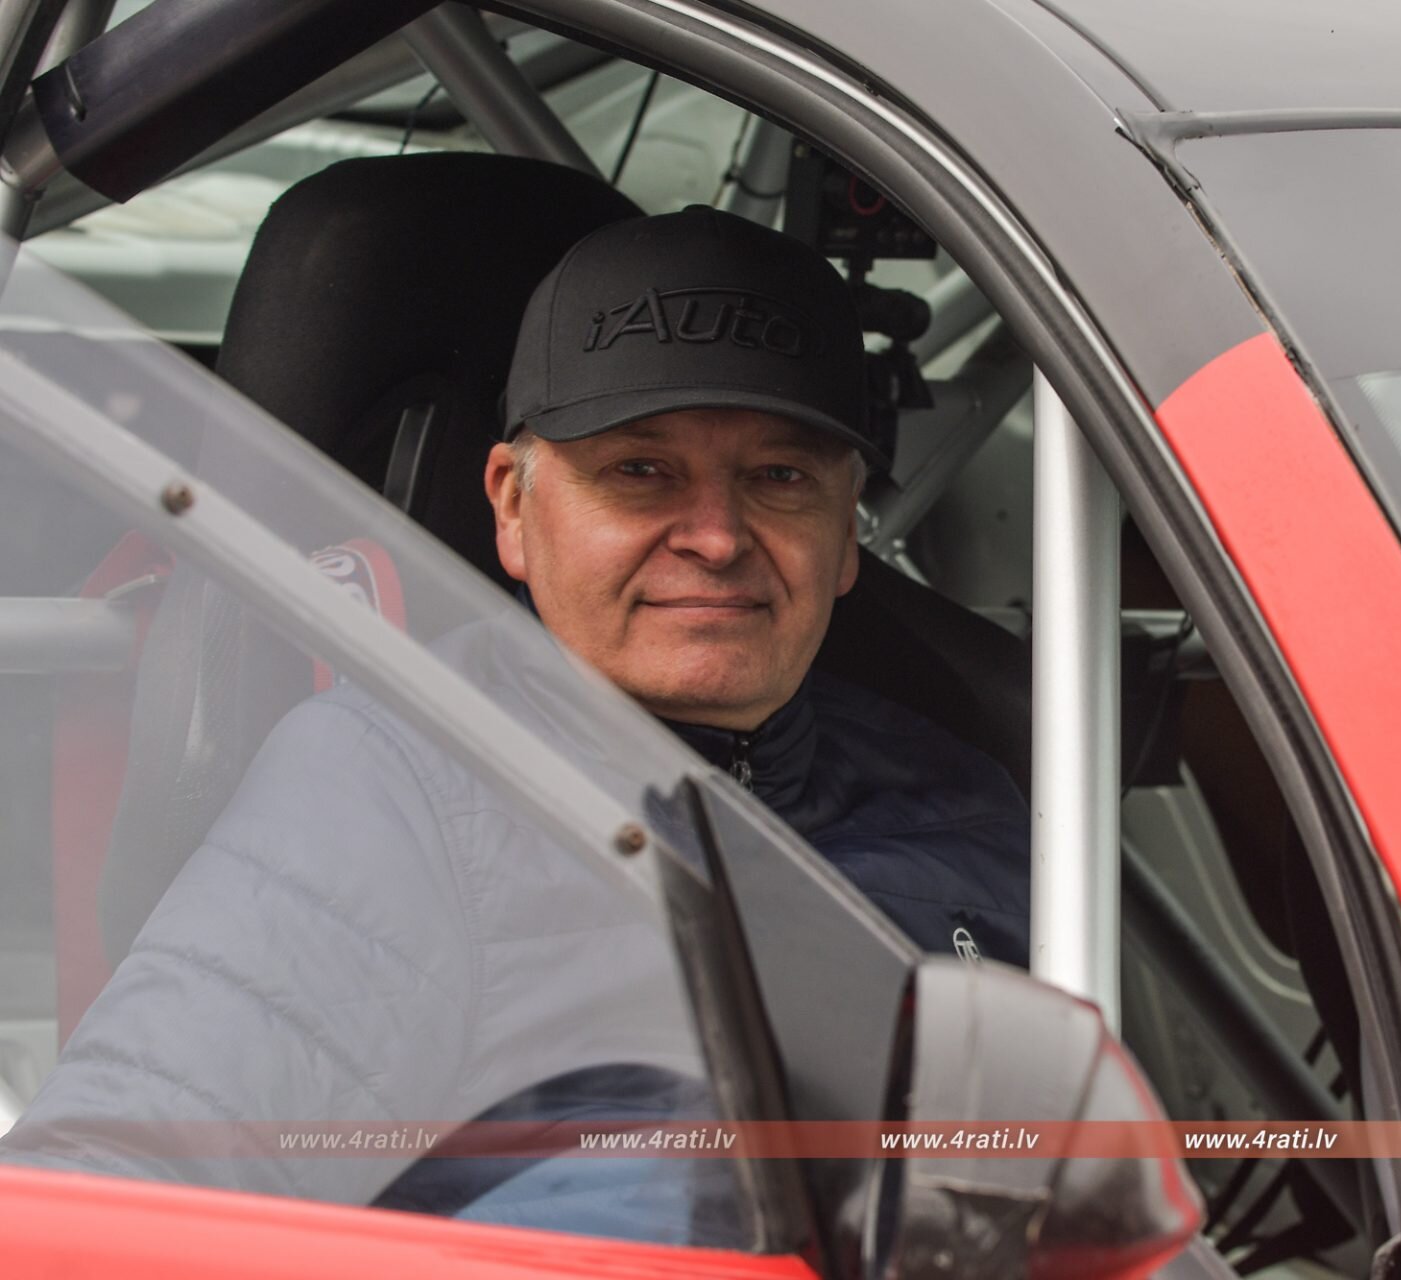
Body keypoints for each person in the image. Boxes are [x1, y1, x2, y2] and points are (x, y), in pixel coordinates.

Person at [1, 207, 1030, 1239]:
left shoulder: (971, 794)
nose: (718, 537)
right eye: (640, 471)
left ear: (845, 533)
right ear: (512, 506)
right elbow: (96, 1208)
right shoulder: (399, 788)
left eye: (779, 477)